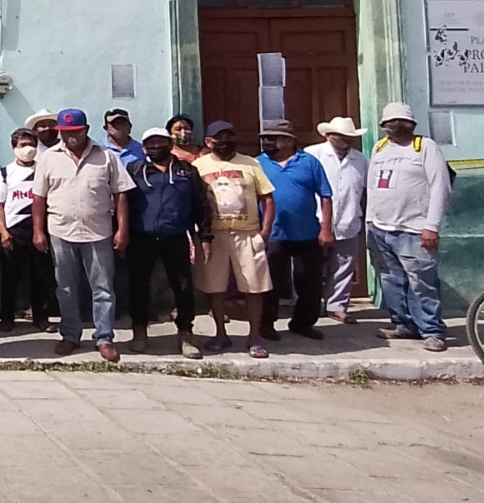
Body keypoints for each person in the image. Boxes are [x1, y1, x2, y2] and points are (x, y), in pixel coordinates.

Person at [32, 109, 131, 362]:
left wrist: (122, 229)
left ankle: (104, 337)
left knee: (103, 288)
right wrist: (38, 231)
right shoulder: (48, 158)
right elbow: (39, 197)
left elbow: (120, 194)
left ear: (86, 129)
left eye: (75, 131)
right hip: (60, 231)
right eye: (66, 133)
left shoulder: (106, 156)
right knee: (65, 288)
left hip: (98, 232)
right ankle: (70, 335)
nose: (71, 137)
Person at [366, 103, 451, 352]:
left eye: (402, 121)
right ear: (383, 126)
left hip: (415, 229)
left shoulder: (425, 147)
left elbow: (440, 187)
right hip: (381, 228)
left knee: (422, 282)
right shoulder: (379, 148)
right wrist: (370, 223)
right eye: (391, 122)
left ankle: (432, 331)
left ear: (412, 125)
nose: (397, 125)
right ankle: (403, 324)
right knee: (391, 280)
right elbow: (372, 188)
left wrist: (431, 226)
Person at [193, 121, 276, 359]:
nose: (224, 141)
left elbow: (267, 198)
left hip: (248, 233)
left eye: (229, 136)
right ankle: (220, 333)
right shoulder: (199, 166)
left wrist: (265, 231)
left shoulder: (251, 163)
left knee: (254, 287)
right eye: (219, 138)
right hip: (214, 235)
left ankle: (255, 337)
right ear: (209, 142)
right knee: (215, 287)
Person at [125, 128, 210, 358]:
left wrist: (205, 236)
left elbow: (201, 204)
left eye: (160, 142)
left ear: (169, 143)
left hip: (176, 237)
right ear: (143, 147)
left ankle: (185, 334)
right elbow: (121, 203)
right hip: (141, 237)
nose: (155, 147)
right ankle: (140, 331)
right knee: (139, 286)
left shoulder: (187, 171)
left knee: (183, 287)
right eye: (150, 143)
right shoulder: (134, 170)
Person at [257, 119, 335, 341]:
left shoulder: (309, 162)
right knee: (269, 282)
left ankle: (303, 323)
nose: (267, 142)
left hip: (307, 233)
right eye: (264, 138)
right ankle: (266, 324)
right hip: (272, 233)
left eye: (272, 138)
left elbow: (326, 196)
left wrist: (326, 228)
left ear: (289, 141)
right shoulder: (257, 163)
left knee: (309, 281)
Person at [0, 128, 55, 333]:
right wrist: (3, 232)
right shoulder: (6, 173)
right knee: (10, 277)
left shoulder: (44, 170)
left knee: (41, 276)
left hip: (39, 229)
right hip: (14, 230)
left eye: (31, 144)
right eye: (23, 145)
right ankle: (7, 317)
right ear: (14, 148)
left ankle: (41, 317)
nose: (28, 149)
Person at [307, 116, 369, 324]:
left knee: (344, 265)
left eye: (348, 137)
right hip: (315, 220)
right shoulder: (312, 155)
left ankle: (337, 306)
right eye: (340, 135)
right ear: (328, 135)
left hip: (348, 219)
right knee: (311, 266)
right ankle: (310, 305)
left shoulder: (360, 160)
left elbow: (366, 191)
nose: (344, 140)